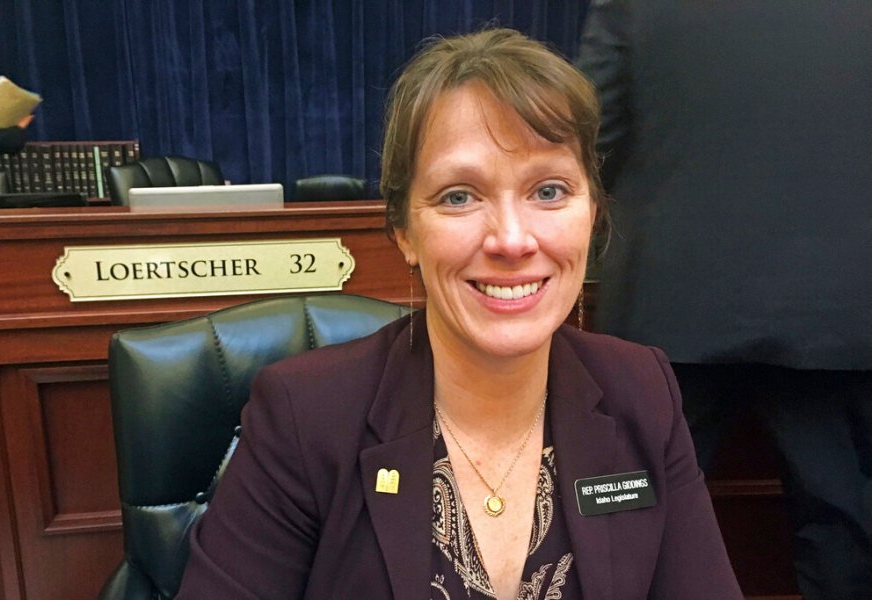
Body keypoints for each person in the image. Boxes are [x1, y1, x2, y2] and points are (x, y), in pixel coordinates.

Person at [177, 28, 740, 599]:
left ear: (591, 212)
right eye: (459, 196)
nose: (512, 240)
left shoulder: (642, 391)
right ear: (404, 231)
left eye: (548, 191)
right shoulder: (304, 416)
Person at [575, 2, 872, 598]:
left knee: (626, 513)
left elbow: (586, 135)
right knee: (844, 530)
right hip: (839, 309)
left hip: (671, 307)